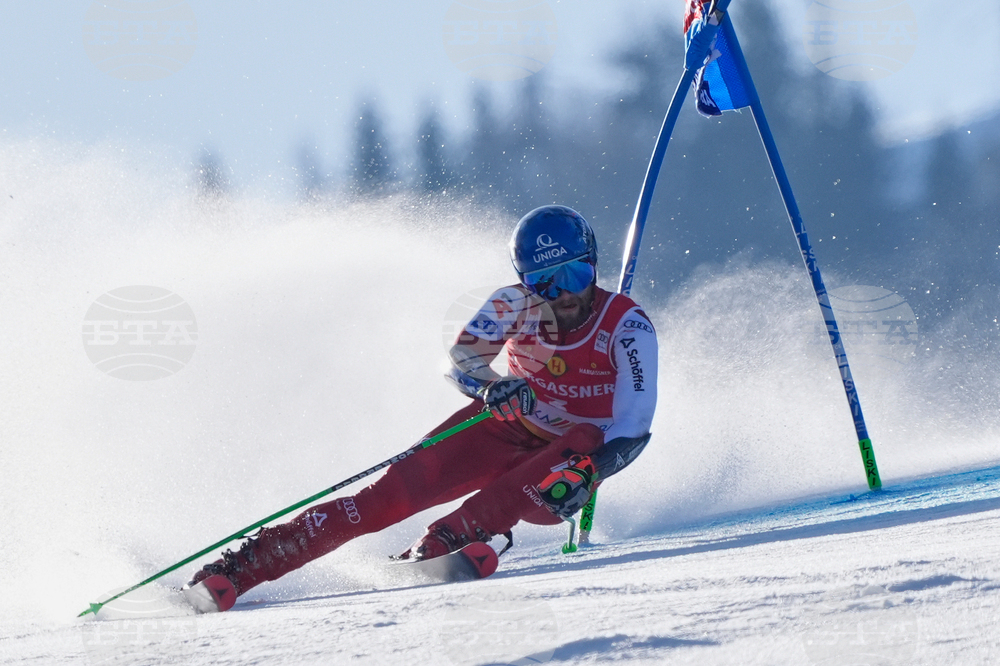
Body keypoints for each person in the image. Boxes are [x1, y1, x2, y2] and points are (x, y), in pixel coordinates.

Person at [185, 205, 658, 611]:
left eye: (575, 275)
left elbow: (634, 425)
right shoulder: (512, 304)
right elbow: (458, 360)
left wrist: (591, 470)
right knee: (383, 499)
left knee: (585, 438)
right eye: (544, 283)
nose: (565, 295)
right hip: (504, 430)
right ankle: (245, 566)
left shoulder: (627, 327)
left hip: (560, 474)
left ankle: (450, 537)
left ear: (593, 264)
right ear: (523, 281)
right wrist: (492, 387)